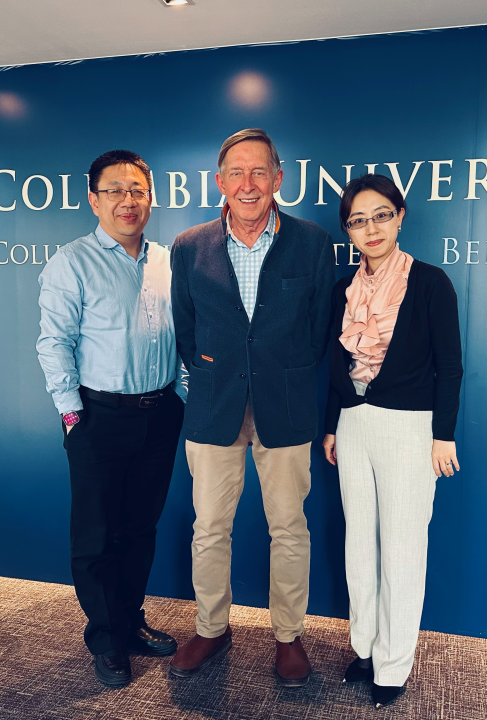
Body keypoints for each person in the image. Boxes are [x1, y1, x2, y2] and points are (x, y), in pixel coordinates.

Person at [169, 129, 335, 686]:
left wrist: (279, 370)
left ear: (278, 179)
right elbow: (186, 331)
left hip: (285, 405)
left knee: (288, 527)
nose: (248, 184)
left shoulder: (312, 243)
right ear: (219, 182)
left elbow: (318, 332)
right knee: (210, 528)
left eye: (259, 172)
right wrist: (215, 369)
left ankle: (288, 636)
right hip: (214, 405)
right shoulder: (189, 246)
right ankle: (211, 628)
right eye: (236, 173)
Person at [36, 150, 186, 688]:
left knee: (139, 528)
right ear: (94, 199)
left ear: (151, 198)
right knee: (96, 535)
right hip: (97, 416)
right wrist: (71, 414)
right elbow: (54, 342)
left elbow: (183, 336)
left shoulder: (169, 261)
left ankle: (130, 620)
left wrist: (181, 395)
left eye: (137, 190)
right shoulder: (71, 262)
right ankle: (105, 637)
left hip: (159, 414)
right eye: (115, 190)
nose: (128, 200)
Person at [322, 174, 463, 708]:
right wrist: (332, 424)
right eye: (358, 220)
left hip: (410, 428)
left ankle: (394, 663)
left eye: (381, 215)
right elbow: (335, 366)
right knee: (359, 543)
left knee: (402, 548)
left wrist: (443, 435)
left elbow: (450, 367)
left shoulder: (429, 282)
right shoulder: (342, 289)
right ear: (348, 231)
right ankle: (364, 648)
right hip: (353, 424)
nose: (371, 228)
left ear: (400, 216)